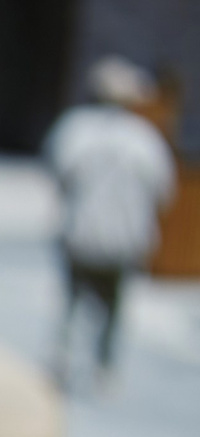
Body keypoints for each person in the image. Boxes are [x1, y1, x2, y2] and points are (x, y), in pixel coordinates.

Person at [45, 56, 179, 395]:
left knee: (72, 301)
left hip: (80, 234)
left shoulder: (75, 129)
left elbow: (59, 174)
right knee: (113, 309)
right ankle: (103, 369)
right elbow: (164, 191)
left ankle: (63, 359)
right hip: (125, 239)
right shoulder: (145, 140)